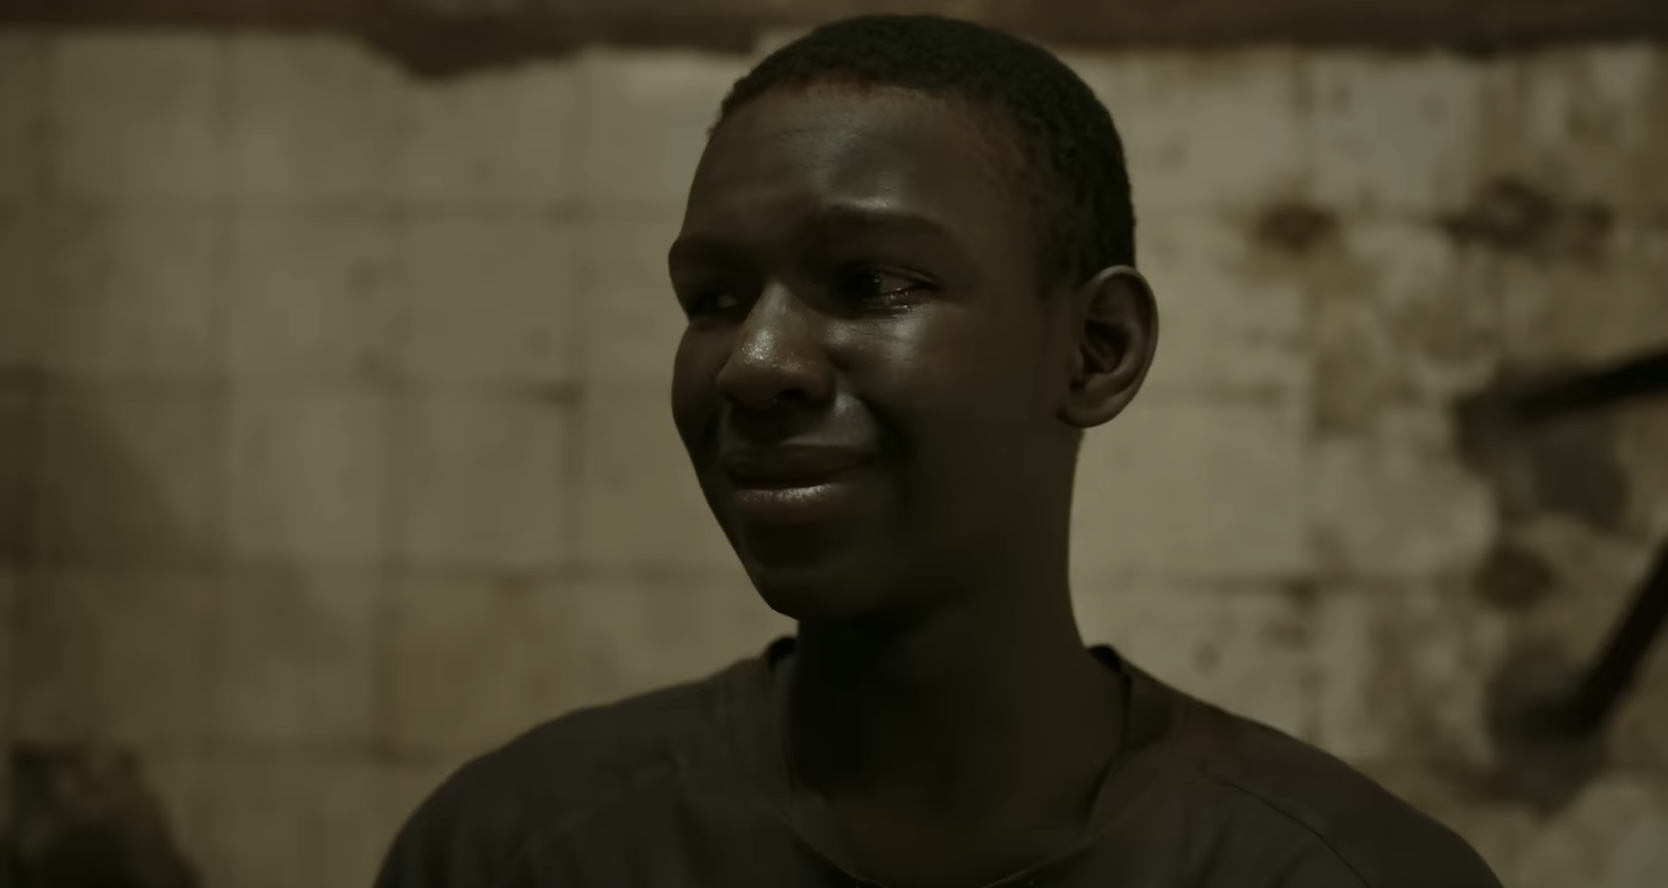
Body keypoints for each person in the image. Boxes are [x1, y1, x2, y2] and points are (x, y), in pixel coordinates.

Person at [375, 15, 1503, 888]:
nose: (754, 363)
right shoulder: (522, 852)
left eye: (872, 283)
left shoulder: (1339, 874)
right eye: (715, 297)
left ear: (1096, 350)